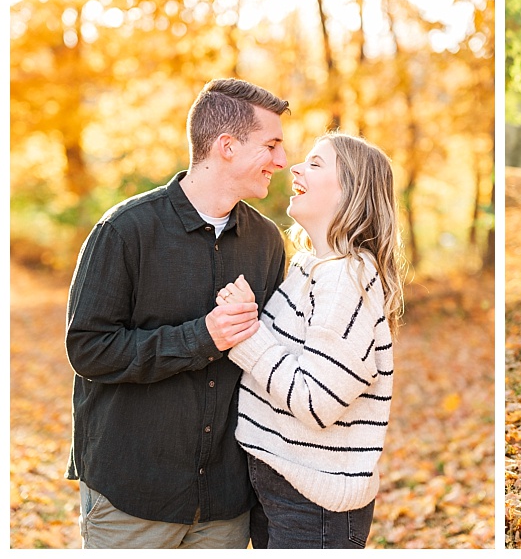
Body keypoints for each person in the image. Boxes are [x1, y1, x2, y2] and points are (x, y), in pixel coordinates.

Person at [65, 78, 290, 549]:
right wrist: (201, 338)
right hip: (133, 496)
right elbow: (88, 349)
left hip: (226, 504)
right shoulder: (125, 230)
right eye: (271, 145)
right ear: (227, 146)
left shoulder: (267, 242)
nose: (281, 161)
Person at [216, 132, 404, 549]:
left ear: (351, 193)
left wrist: (245, 334)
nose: (295, 168)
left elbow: (317, 401)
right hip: (279, 485)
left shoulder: (346, 280)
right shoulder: (309, 268)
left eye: (316, 164)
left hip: (314, 504)